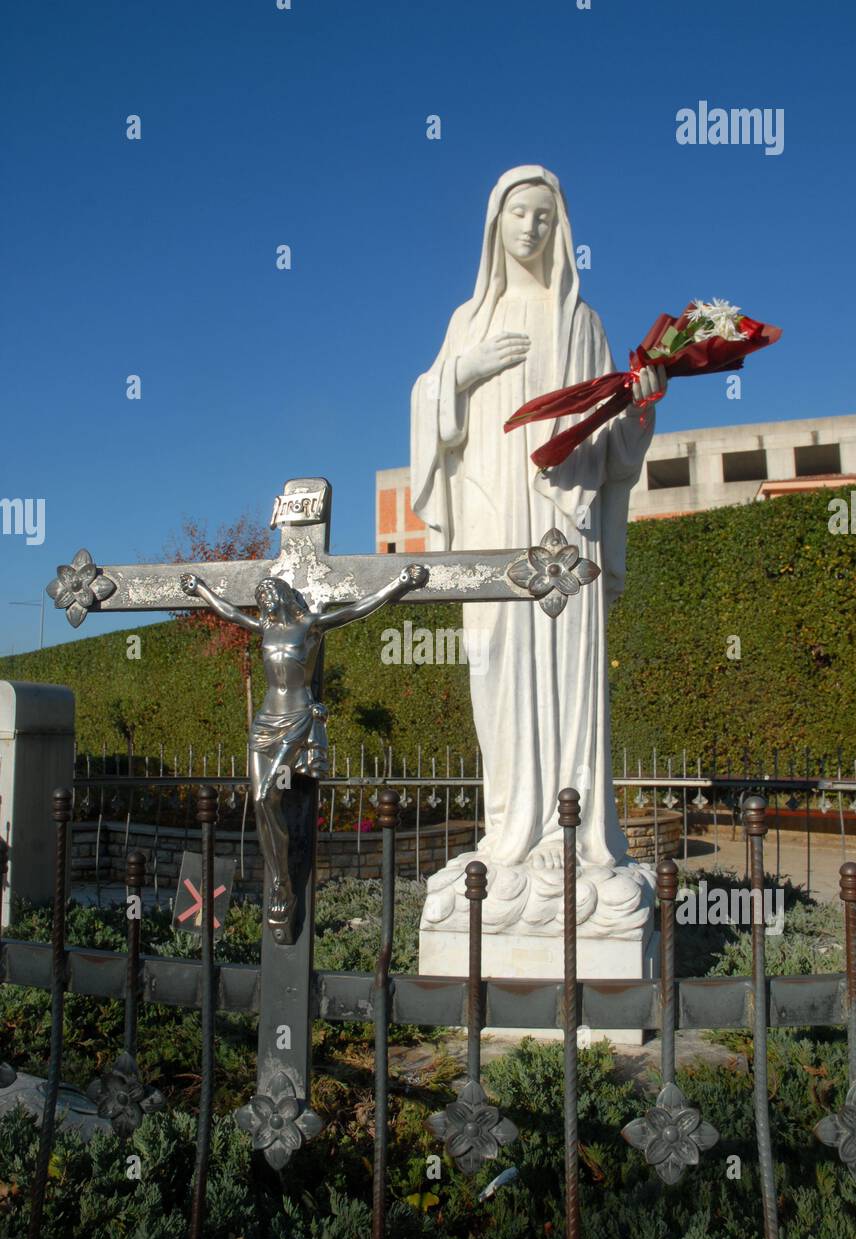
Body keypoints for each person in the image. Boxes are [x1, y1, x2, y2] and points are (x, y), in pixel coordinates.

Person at [410, 166, 666, 935]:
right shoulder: (468, 319)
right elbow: (430, 411)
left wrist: (644, 408)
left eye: (545, 217)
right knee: (496, 672)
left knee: (569, 676)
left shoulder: (582, 321)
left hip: (565, 524)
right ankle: (507, 831)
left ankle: (576, 834)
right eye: (519, 214)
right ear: (496, 227)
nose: (531, 228)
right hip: (493, 521)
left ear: (562, 230)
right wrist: (463, 372)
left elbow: (615, 444)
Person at [180, 565, 428, 935]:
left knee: (269, 795)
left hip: (297, 722)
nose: (263, 601)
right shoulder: (265, 628)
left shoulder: (310, 625)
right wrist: (200, 590)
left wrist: (399, 583)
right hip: (265, 723)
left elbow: (356, 610)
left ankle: (282, 883)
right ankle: (280, 877)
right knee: (260, 801)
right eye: (260, 597)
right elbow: (230, 612)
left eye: (268, 594)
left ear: (281, 595)